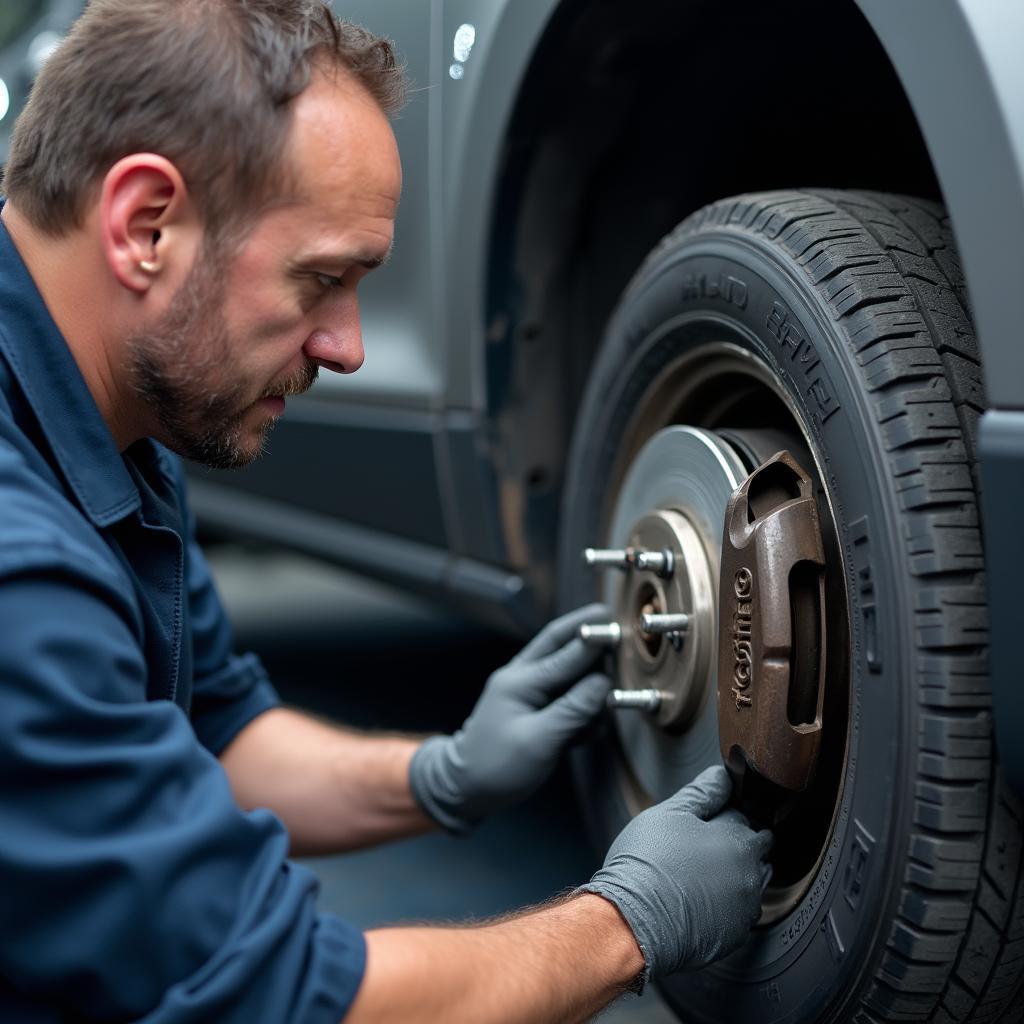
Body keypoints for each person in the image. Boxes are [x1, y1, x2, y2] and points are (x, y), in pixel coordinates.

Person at [0, 1, 772, 1021]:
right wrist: (623, 923)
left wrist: (442, 774)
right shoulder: (22, 572)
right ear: (146, 224)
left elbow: (217, 735)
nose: (347, 346)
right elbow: (289, 1000)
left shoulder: (112, 421)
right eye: (322, 279)